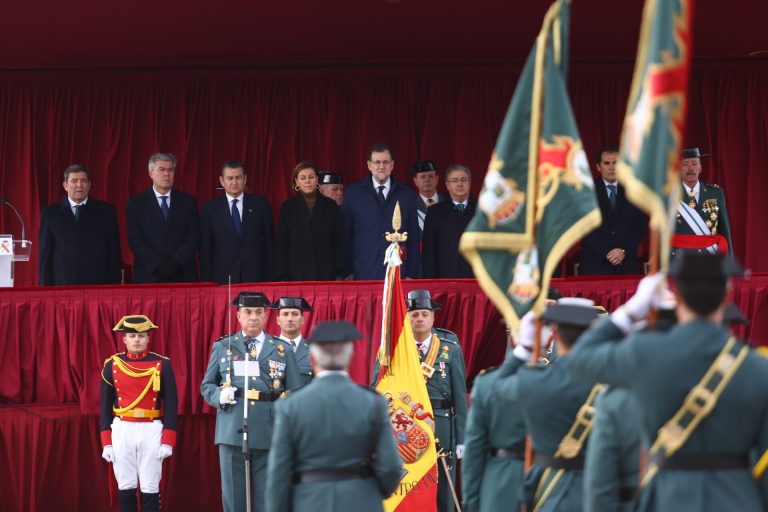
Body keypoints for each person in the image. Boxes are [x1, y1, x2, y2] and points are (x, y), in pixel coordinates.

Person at [569, 252, 768, 511]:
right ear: (728, 296)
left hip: (668, 498)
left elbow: (581, 359)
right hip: (737, 499)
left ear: (679, 299)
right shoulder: (757, 367)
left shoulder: (646, 353)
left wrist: (630, 312)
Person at [265, 321, 402, 512]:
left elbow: (279, 472)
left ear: (312, 358)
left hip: (309, 501)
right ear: (350, 358)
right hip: (361, 500)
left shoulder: (290, 406)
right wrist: (371, 491)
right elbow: (391, 467)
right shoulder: (373, 402)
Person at [494, 298, 601, 512]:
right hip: (595, 489)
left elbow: (500, 386)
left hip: (548, 490)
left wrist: (525, 348)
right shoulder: (609, 381)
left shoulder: (536, 381)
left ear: (554, 335)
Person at [200, 292, 300, 512]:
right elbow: (206, 386)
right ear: (238, 316)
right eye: (248, 312)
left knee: (269, 498)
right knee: (235, 498)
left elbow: (295, 391)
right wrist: (219, 396)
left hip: (270, 429)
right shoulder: (224, 346)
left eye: (258, 312)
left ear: (266, 316)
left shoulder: (282, 349)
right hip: (233, 428)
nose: (253, 317)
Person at [372, 289, 467, 511]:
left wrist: (462, 438)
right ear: (406, 318)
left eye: (424, 314)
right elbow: (376, 389)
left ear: (433, 317)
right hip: (404, 424)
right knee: (409, 483)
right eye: (414, 314)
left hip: (441, 424)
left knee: (442, 483)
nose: (420, 319)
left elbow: (460, 396)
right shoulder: (392, 350)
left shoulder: (449, 348)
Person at [100, 315, 178, 512]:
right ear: (124, 339)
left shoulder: (162, 364)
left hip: (151, 428)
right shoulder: (112, 365)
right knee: (125, 485)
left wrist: (168, 440)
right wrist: (106, 442)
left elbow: (172, 403)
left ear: (148, 338)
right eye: (132, 336)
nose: (136, 340)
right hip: (122, 428)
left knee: (150, 485)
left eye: (141, 336)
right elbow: (103, 406)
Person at [342, 143, 421, 280]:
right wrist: (348, 271)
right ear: (369, 165)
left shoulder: (407, 194)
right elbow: (345, 236)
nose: (381, 166)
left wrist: (412, 273)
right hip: (363, 271)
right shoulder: (353, 193)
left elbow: (413, 237)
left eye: (385, 162)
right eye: (377, 162)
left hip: (398, 272)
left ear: (392, 165)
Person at [461, 357, 526, 512]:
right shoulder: (564, 380)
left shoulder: (487, 383)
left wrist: (471, 502)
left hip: (500, 482)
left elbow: (474, 450)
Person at [38, 164, 122, 285]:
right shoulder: (50, 213)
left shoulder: (106, 211)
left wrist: (115, 286)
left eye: (83, 181)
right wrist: (45, 288)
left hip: (98, 283)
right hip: (63, 284)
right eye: (74, 181)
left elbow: (113, 252)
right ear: (65, 185)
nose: (79, 185)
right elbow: (45, 255)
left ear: (89, 185)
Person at [126, 152, 199, 283]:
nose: (167, 174)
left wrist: (176, 261)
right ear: (151, 173)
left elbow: (193, 236)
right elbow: (135, 238)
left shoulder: (188, 202)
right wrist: (157, 263)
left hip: (182, 273)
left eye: (170, 170)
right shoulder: (136, 203)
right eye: (162, 169)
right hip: (149, 274)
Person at [200, 160, 274, 284]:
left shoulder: (260, 204)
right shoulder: (210, 208)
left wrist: (270, 277)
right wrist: (207, 282)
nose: (234, 182)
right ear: (222, 181)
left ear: (245, 179)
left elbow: (269, 244)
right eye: (230, 178)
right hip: (222, 277)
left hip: (255, 276)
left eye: (238, 177)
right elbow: (206, 248)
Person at [579, 147, 647, 275]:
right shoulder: (585, 193)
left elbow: (640, 225)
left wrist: (623, 250)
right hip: (595, 266)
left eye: (616, 163)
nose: (612, 167)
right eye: (607, 163)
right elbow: (582, 229)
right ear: (598, 167)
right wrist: (606, 253)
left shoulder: (635, 191)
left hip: (627, 265)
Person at [275, 162, 345, 281]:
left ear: (317, 180)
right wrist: (283, 276)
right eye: (303, 178)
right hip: (296, 274)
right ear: (297, 181)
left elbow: (338, 241)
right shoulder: (288, 208)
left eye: (311, 177)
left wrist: (340, 273)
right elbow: (282, 244)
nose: (308, 181)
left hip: (326, 274)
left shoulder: (330, 206)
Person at [673, 147, 733, 255]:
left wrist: (728, 261)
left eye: (694, 163)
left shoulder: (715, 193)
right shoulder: (670, 196)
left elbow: (724, 230)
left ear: (700, 168)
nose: (690, 168)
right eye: (685, 164)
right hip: (679, 259)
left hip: (709, 259)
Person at [422, 164, 476, 278]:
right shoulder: (435, 212)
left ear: (469, 182)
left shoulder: (482, 212)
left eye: (463, 180)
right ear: (447, 185)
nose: (460, 184)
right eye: (455, 180)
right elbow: (429, 253)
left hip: (476, 279)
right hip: (446, 280)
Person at [272, 296, 314, 387]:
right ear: (278, 320)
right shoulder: (267, 349)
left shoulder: (314, 351)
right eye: (285, 314)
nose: (290, 319)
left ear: (302, 320)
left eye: (295, 314)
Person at [410, 159, 443, 232]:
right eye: (422, 177)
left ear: (437, 179)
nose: (427, 179)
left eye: (430, 176)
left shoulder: (448, 204)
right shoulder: (410, 206)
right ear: (415, 181)